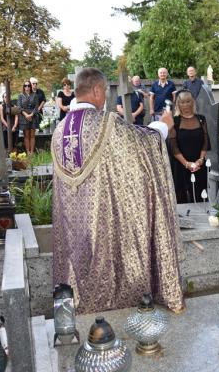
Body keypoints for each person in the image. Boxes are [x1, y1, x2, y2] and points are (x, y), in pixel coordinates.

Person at [51, 67, 184, 314]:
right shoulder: (106, 124)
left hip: (73, 230)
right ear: (97, 90)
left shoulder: (59, 131)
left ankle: (72, 306)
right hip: (102, 225)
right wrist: (164, 125)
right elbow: (141, 141)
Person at [169, 90, 209, 203]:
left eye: (188, 101)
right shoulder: (174, 121)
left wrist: (200, 161)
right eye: (182, 102)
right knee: (182, 199)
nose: (185, 105)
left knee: (201, 196)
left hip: (199, 165)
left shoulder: (201, 119)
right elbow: (173, 146)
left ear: (192, 102)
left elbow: (205, 142)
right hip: (180, 165)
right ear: (177, 104)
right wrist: (187, 164)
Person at [18, 80, 39, 154]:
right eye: (25, 86)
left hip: (33, 116)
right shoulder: (20, 95)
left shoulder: (35, 95)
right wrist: (26, 115)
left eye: (28, 85)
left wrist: (31, 114)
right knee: (26, 135)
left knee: (32, 135)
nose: (27, 87)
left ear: (30, 86)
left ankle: (32, 152)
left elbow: (36, 107)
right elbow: (19, 107)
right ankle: (28, 151)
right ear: (23, 87)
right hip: (24, 117)